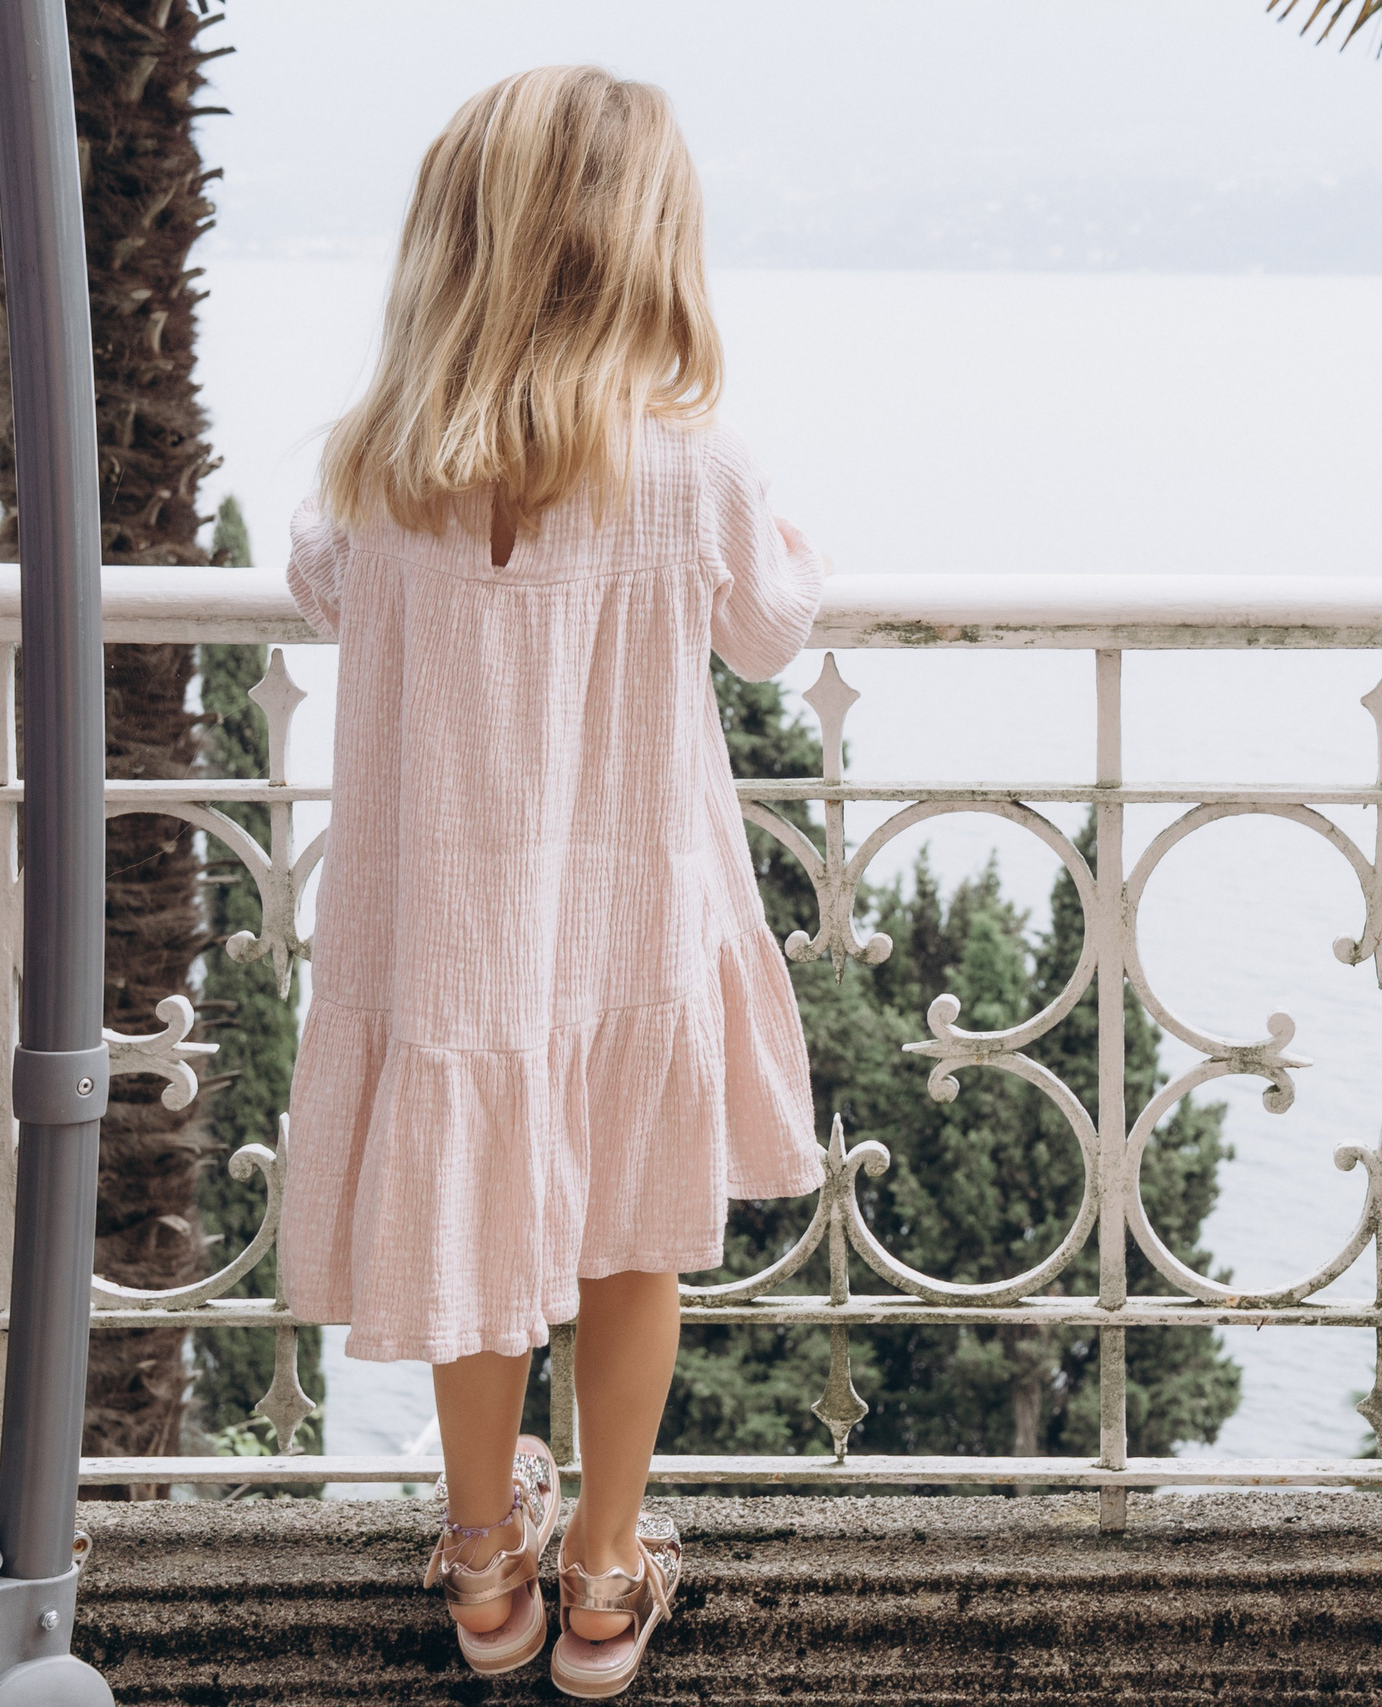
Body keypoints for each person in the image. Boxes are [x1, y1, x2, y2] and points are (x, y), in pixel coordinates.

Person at [276, 66, 829, 1696]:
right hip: (628, 924)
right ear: (651, 253)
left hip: (446, 929)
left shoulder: (381, 474)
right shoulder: (686, 467)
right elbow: (774, 625)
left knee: (474, 1227)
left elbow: (318, 587)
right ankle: (603, 1569)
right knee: (627, 1238)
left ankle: (480, 1564)